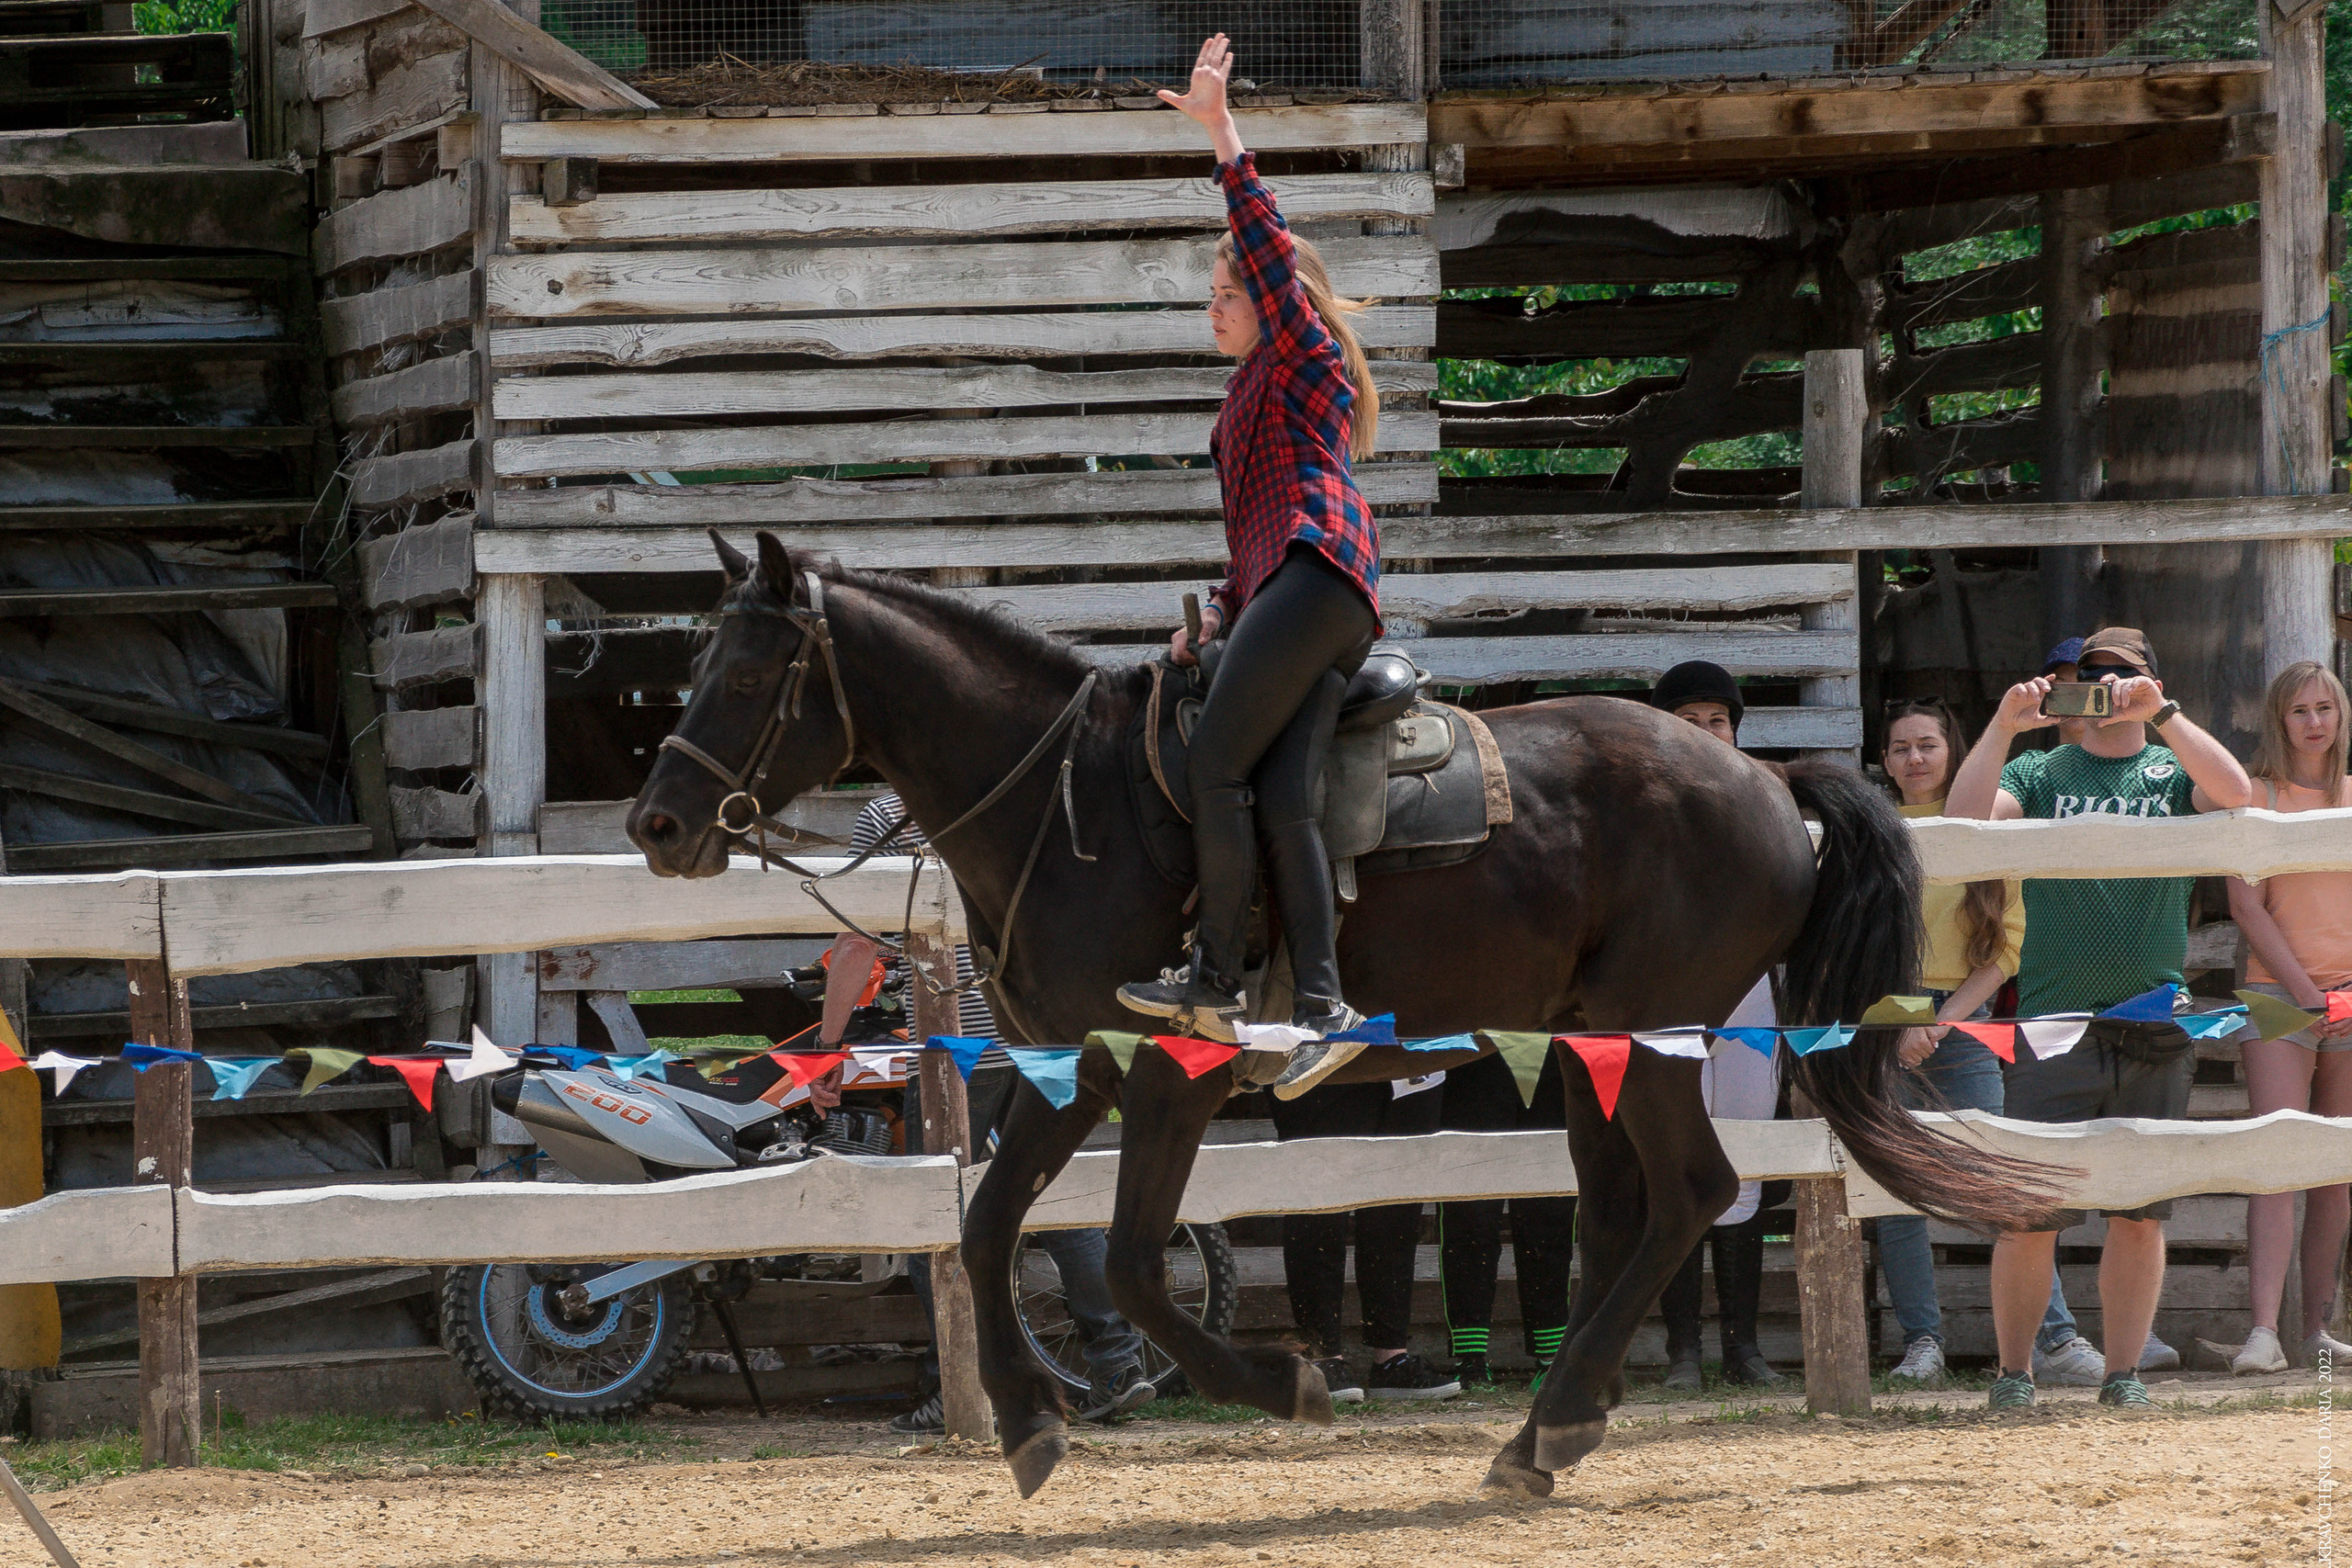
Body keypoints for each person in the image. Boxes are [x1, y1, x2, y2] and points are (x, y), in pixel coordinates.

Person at [1115, 34, 1386, 1095]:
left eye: (1226, 292)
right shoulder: (1246, 394)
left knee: (1215, 765)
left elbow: (1266, 244)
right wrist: (1216, 620)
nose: (1214, 306)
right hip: (1301, 588)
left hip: (1319, 577)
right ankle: (1323, 1009)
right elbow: (1248, 547)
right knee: (1281, 799)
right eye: (1212, 295)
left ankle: (1215, 980)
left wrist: (1222, 132)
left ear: (1274, 301)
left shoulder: (1299, 354)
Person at [1946, 626, 2253, 1411]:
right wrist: (2003, 726)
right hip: (2051, 1023)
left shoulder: (2170, 768)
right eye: (2092, 673)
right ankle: (2014, 1375)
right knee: (2028, 1214)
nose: (2107, 685)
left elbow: (2237, 794)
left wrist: (2163, 716)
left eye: (2123, 674)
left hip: (2155, 1020)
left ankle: (2123, 1376)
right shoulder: (2040, 770)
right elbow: (1963, 821)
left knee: (2140, 1214)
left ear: (2152, 681)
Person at [820, 793, 1156, 1433]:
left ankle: (963, 1385)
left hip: (959, 1044)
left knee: (933, 1216)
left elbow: (857, 942)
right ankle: (1117, 1365)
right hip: (1041, 1032)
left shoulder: (892, 812)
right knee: (1054, 1202)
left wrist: (829, 1047)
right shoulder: (1018, 791)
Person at [1877, 699, 2026, 1386]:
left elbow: (2006, 947)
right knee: (1898, 1190)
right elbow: (1863, 939)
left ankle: (2047, 1338)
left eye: (1927, 744)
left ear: (1952, 749)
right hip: (1885, 1016)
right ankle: (1922, 1342)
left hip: (1967, 1018)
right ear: (1885, 761)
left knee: (1998, 1177)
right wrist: (1905, 1017)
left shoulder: (1988, 821)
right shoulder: (1873, 829)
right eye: (1900, 747)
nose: (1914, 758)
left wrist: (1941, 1022)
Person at [1648, 662, 1785, 1390]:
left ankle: (1743, 1345)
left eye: (1717, 721)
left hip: (1750, 999)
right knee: (1675, 1162)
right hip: (1665, 999)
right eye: (1689, 721)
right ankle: (1682, 1349)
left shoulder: (1768, 799)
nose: (1705, 733)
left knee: (1746, 1159)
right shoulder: (1639, 807)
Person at [2225, 661, 2352, 1373]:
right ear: (2279, 718)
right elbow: (2246, 905)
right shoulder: (2256, 795)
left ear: (2342, 715)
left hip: (2351, 996)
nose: (2314, 722)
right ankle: (2263, 1333)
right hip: (2277, 996)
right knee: (2276, 1160)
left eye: (2325, 707)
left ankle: (2315, 1330)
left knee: (2335, 1171)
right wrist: (2306, 992)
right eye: (2300, 709)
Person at [1272, 1073, 1460, 1401]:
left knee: (1396, 1209)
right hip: (1322, 1065)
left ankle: (1391, 1359)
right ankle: (1321, 1358)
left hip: (1415, 1066)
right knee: (1319, 1206)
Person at [1436, 1053, 1574, 1387]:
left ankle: (1551, 1359)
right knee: (1470, 1212)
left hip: (1554, 1057)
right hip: (1475, 1054)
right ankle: (1470, 1360)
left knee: (1549, 1213)